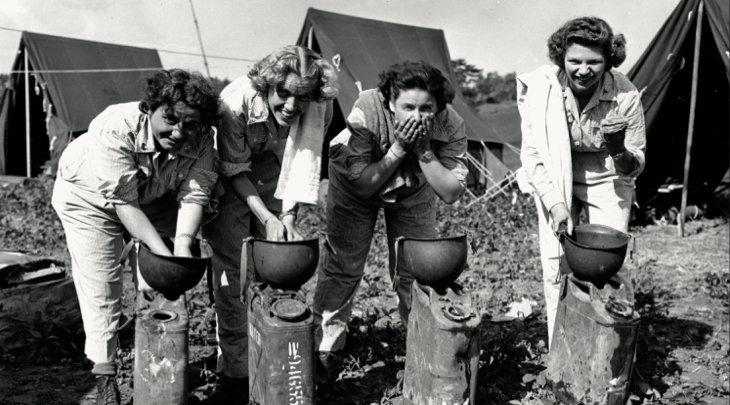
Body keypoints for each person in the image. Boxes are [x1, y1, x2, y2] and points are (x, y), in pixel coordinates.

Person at [52, 69, 220, 404]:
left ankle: (159, 370)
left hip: (151, 198)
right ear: (152, 107)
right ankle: (105, 377)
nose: (178, 132)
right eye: (170, 119)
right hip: (90, 199)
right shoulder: (115, 126)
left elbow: (194, 195)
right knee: (102, 284)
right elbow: (123, 203)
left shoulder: (202, 138)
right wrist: (162, 252)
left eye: (189, 124)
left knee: (158, 283)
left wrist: (182, 243)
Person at [201, 45, 337, 397]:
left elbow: (304, 163)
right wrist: (266, 217)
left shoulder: (321, 105)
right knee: (235, 274)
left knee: (282, 264)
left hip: (277, 181)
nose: (292, 106)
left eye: (302, 97)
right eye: (284, 94)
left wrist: (286, 216)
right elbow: (232, 168)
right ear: (267, 85)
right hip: (231, 183)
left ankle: (285, 352)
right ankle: (234, 371)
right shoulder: (235, 103)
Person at [312, 60, 468, 368]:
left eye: (427, 109)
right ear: (390, 102)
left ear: (438, 106)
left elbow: (450, 192)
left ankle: (421, 344)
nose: (417, 116)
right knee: (345, 262)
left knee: (416, 268)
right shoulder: (367, 108)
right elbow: (362, 186)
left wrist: (424, 151)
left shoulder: (450, 123)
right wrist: (398, 147)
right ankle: (325, 347)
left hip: (414, 180)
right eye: (408, 107)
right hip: (357, 178)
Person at [516, 17, 646, 347]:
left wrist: (618, 149)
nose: (583, 70)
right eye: (575, 61)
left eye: (594, 62)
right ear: (561, 58)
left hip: (607, 172)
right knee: (555, 262)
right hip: (556, 170)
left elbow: (634, 166)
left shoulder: (625, 94)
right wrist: (557, 205)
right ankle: (562, 346)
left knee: (612, 262)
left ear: (610, 61)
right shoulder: (542, 90)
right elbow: (532, 157)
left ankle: (614, 347)